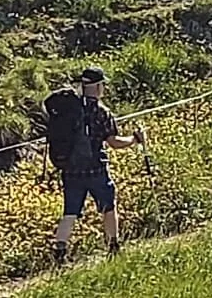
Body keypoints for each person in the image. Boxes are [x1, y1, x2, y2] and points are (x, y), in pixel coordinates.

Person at [45, 67, 146, 264]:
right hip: (96, 170)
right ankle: (113, 246)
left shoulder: (68, 109)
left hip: (70, 171)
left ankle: (59, 251)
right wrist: (135, 139)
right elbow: (114, 142)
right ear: (98, 86)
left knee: (70, 212)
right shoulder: (100, 111)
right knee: (108, 206)